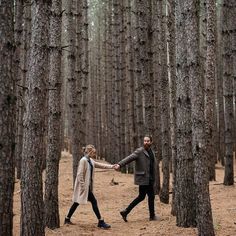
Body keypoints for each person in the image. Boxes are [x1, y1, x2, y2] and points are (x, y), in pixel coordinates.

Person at [64, 144, 115, 229]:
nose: (94, 154)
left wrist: (112, 166)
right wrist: (83, 187)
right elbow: (79, 175)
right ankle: (100, 221)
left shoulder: (90, 160)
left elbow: (100, 165)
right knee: (94, 201)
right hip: (84, 187)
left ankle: (67, 218)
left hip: (87, 187)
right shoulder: (83, 160)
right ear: (89, 152)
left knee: (76, 202)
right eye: (93, 153)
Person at [115, 135, 159, 222]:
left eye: (148, 141)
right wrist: (120, 164)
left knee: (144, 197)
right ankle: (152, 216)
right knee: (147, 197)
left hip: (150, 178)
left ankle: (126, 212)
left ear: (151, 142)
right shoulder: (140, 151)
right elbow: (129, 158)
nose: (146, 142)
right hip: (144, 179)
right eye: (145, 141)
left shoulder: (151, 151)